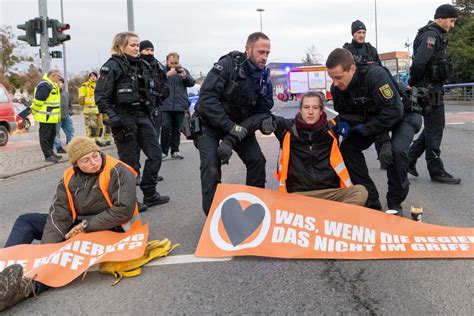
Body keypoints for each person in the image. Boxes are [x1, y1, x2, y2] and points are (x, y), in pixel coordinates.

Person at [0, 136, 141, 311]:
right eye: (86, 160)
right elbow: (59, 213)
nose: (94, 162)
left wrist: (85, 226)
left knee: (67, 253)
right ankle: (4, 269)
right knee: (27, 220)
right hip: (78, 223)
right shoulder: (68, 177)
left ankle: (27, 288)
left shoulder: (117, 170)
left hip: (111, 227)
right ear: (76, 164)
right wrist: (47, 250)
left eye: (95, 156)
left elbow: (123, 210)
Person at [194, 32, 273, 215]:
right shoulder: (228, 65)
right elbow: (207, 99)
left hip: (239, 126)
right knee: (211, 164)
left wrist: (265, 122)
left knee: (257, 160)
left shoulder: (263, 76)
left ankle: (255, 209)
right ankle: (213, 216)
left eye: (267, 53)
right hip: (210, 124)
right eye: (261, 52)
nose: (264, 57)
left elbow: (262, 111)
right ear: (248, 49)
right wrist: (230, 128)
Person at [95, 32, 169, 208]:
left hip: (142, 116)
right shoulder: (111, 66)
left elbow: (155, 87)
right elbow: (101, 97)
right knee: (130, 163)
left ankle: (150, 193)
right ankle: (130, 201)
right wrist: (113, 116)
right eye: (133, 45)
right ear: (121, 46)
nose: (137, 48)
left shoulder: (142, 65)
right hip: (123, 118)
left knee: (155, 154)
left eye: (137, 45)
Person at [327, 48, 405, 212]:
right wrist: (342, 123)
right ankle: (371, 200)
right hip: (368, 120)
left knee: (396, 152)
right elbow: (346, 114)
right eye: (332, 78)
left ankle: (394, 203)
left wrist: (371, 131)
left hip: (395, 117)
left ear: (352, 69)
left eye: (339, 77)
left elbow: (394, 111)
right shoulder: (336, 89)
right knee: (347, 150)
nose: (334, 83)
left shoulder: (375, 76)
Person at [271, 91, 368, 205]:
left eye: (315, 108)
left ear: (321, 111)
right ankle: (331, 216)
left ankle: (326, 218)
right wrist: (264, 124)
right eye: (306, 107)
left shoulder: (332, 128)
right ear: (301, 110)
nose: (310, 112)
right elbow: (261, 116)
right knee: (274, 201)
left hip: (329, 193)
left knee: (360, 192)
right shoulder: (286, 128)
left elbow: (362, 114)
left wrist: (383, 141)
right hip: (299, 195)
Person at [408, 4, 461, 184]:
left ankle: (409, 158)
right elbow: (419, 62)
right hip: (430, 90)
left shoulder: (433, 34)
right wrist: (413, 83)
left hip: (431, 88)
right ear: (441, 18)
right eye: (451, 21)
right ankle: (436, 171)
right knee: (435, 129)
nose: (452, 25)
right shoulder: (431, 35)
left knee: (433, 128)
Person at [343, 20, 388, 170]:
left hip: (372, 93)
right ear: (353, 34)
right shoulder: (347, 51)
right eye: (358, 33)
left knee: (379, 124)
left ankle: (384, 157)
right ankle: (349, 159)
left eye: (363, 32)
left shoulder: (371, 50)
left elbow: (380, 69)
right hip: (355, 95)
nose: (361, 35)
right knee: (352, 129)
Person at [139, 40, 169, 183]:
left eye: (151, 50)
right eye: (146, 50)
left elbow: (164, 83)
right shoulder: (137, 65)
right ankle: (135, 175)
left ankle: (152, 174)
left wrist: (162, 94)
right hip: (141, 110)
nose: (149, 53)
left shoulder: (158, 65)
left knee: (154, 144)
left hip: (156, 108)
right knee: (137, 145)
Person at [161, 52, 195, 160]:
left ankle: (175, 151)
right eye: (172, 63)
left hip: (180, 105)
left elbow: (192, 83)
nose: (174, 65)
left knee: (177, 129)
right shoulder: (162, 71)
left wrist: (185, 77)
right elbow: (156, 83)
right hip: (165, 105)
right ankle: (164, 151)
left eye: (176, 63)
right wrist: (166, 75)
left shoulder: (183, 70)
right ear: (167, 61)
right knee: (166, 128)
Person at [31, 69, 63, 163]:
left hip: (51, 117)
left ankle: (51, 153)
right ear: (53, 76)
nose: (60, 78)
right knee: (45, 137)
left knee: (52, 136)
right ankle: (48, 155)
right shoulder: (45, 85)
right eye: (59, 76)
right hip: (45, 117)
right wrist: (33, 112)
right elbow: (38, 101)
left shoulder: (51, 85)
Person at [78, 72, 105, 146]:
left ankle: (97, 140)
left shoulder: (99, 85)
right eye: (91, 76)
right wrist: (85, 103)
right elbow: (81, 99)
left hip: (98, 110)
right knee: (91, 127)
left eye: (94, 76)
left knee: (100, 126)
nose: (93, 77)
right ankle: (90, 142)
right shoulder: (85, 85)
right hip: (89, 110)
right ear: (89, 77)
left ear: (97, 77)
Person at [54, 78, 75, 153]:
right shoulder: (52, 93)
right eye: (57, 82)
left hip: (66, 116)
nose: (59, 83)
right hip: (56, 117)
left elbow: (70, 105)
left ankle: (70, 146)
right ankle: (58, 147)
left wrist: (70, 111)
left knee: (70, 131)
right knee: (56, 133)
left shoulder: (65, 93)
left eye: (60, 82)